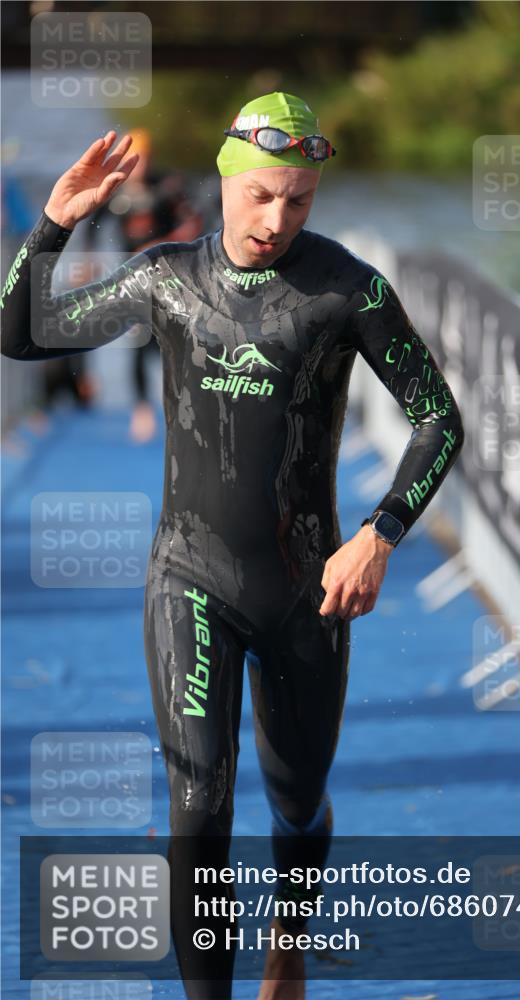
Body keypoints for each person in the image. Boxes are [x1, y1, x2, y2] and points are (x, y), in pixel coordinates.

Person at [0, 93, 464, 1000]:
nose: (276, 221)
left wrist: (380, 533)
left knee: (296, 801)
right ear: (224, 180)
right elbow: (18, 335)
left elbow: (437, 419)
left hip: (307, 591)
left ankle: (288, 942)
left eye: (297, 201)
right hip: (189, 576)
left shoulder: (348, 290)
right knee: (197, 801)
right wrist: (55, 224)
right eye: (260, 197)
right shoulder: (165, 277)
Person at [81, 127, 204, 441]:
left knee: (173, 340)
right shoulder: (116, 190)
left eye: (146, 159)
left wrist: (161, 243)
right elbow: (92, 226)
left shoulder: (167, 186)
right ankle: (142, 409)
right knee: (137, 342)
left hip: (170, 274)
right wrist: (89, 261)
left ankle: (184, 405)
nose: (142, 166)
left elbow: (195, 224)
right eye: (136, 160)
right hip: (133, 277)